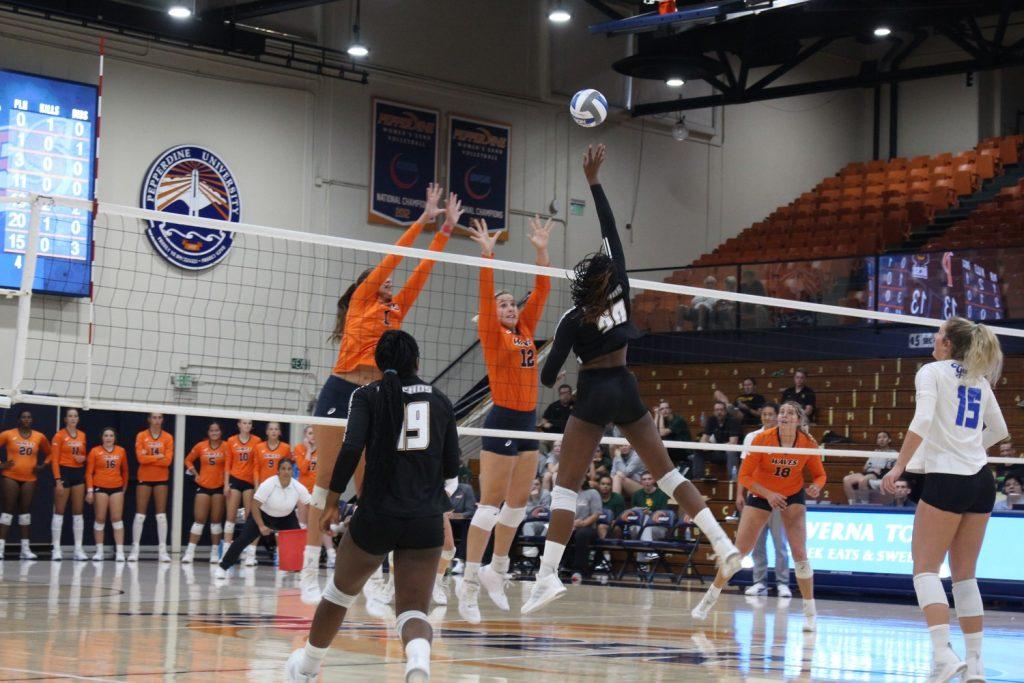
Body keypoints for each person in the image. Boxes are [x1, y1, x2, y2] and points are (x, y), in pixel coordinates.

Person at [522, 145, 739, 614]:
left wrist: (554, 354)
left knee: (564, 487)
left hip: (593, 394)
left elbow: (546, 378)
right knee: (669, 475)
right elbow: (609, 231)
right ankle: (722, 543)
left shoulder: (572, 318)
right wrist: (594, 181)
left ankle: (546, 577)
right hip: (627, 386)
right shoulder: (622, 285)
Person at [303, 184, 460, 600]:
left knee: (374, 484)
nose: (390, 282)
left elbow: (420, 271)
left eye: (392, 282)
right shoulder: (361, 301)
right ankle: (306, 571)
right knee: (323, 482)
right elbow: (397, 256)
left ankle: (375, 573)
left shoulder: (396, 309)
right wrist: (422, 219)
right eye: (383, 280)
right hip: (340, 388)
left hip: (377, 398)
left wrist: (444, 230)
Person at [285, 330, 460, 683]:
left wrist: (333, 502)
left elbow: (350, 451)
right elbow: (452, 467)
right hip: (425, 519)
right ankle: (418, 663)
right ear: (417, 361)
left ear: (379, 365)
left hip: (377, 516)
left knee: (338, 595)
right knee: (413, 611)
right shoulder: (440, 400)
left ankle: (305, 669)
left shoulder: (366, 395)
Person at [880, 317, 1007, 682]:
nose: (934, 339)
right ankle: (976, 665)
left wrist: (899, 466)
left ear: (948, 344)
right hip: (981, 481)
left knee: (924, 568)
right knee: (965, 577)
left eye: (938, 334)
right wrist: (969, 450)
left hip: (949, 480)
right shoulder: (979, 377)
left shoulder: (932, 371)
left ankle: (943, 656)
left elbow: (921, 421)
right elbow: (998, 430)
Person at [456, 214, 553, 623]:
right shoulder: (494, 335)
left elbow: (544, 289)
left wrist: (541, 250)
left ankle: (497, 570)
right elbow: (484, 297)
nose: (511, 307)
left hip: (528, 420)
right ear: (493, 314)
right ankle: (467, 583)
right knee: (489, 505)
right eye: (504, 304)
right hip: (501, 419)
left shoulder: (526, 330)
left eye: (513, 303)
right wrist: (487, 255)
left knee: (518, 505)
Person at [692, 402, 825, 630]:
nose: (784, 415)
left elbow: (820, 475)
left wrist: (816, 487)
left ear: (798, 420)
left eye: (790, 413)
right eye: (781, 412)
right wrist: (768, 494)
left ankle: (810, 614)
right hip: (762, 493)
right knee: (738, 553)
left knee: (800, 554)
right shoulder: (763, 439)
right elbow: (744, 476)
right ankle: (709, 599)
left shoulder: (807, 442)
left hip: (792, 494)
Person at [215, 458, 310, 579]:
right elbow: (255, 505)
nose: (286, 472)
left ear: (293, 472)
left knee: (297, 541)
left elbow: (310, 504)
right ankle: (223, 567)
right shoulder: (268, 484)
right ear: (278, 471)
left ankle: (299, 570)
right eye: (283, 469)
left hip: (286, 518)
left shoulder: (298, 487)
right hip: (262, 515)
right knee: (242, 540)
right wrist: (261, 526)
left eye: (289, 469)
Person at [735, 403, 791, 598]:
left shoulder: (785, 437)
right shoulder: (752, 437)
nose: (768, 417)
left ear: (777, 417)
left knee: (780, 543)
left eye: (771, 414)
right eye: (764, 414)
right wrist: (739, 494)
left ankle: (783, 583)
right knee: (756, 543)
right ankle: (759, 582)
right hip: (756, 497)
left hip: (778, 497)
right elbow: (744, 469)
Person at [0, 410, 51, 560]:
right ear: (18, 420)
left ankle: (25, 549)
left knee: (25, 512)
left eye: (29, 417)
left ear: (32, 420)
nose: (26, 419)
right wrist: (2, 465)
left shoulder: (39, 436)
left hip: (30, 478)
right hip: (11, 476)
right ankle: (1, 548)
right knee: (8, 511)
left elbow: (51, 453)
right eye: (23, 417)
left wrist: (43, 465)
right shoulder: (9, 434)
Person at [182, 422, 229, 564]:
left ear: (220, 432)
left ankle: (215, 553)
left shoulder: (227, 446)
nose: (214, 433)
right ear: (208, 432)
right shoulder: (200, 446)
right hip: (203, 486)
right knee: (199, 520)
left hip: (219, 487)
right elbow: (188, 460)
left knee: (216, 522)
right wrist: (195, 474)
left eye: (217, 430)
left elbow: (231, 464)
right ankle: (189, 552)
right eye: (212, 430)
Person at [132, 413, 174, 563]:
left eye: (160, 418)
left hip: (161, 478)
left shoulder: (168, 437)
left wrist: (149, 456)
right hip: (144, 477)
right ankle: (135, 549)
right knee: (140, 514)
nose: (157, 420)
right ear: (149, 419)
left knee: (161, 515)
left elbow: (168, 461)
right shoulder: (141, 436)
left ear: (163, 420)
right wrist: (158, 457)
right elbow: (140, 459)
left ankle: (162, 550)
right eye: (154, 418)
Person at [85, 428, 129, 562]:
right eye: (106, 435)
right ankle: (99, 551)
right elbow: (89, 473)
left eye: (111, 436)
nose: (108, 438)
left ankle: (120, 551)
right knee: (100, 518)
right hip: (100, 487)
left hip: (116, 487)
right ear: (102, 437)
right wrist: (90, 491)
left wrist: (123, 489)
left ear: (115, 438)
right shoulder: (95, 451)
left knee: (117, 518)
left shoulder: (121, 451)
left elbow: (125, 471)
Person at [294, 426, 335, 568]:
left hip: (318, 492)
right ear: (305, 436)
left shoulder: (324, 449)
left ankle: (331, 555)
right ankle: (304, 557)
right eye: (310, 433)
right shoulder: (299, 448)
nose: (313, 436)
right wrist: (309, 452)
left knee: (321, 524)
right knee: (303, 525)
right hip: (303, 491)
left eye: (314, 433)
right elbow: (303, 468)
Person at [51, 408, 88, 561]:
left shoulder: (82, 435)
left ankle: (78, 549)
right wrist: (58, 480)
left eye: (75, 416)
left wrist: (83, 458)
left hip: (78, 474)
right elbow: (54, 460)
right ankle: (56, 549)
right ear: (65, 419)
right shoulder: (59, 436)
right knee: (59, 511)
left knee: (78, 512)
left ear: (78, 419)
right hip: (64, 473)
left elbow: (83, 455)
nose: (73, 418)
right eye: (70, 416)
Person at [223, 419, 262, 565]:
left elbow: (257, 464)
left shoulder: (257, 441)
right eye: (244, 423)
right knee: (231, 516)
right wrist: (226, 484)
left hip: (249, 482)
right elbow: (227, 464)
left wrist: (257, 484)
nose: (247, 426)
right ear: (239, 425)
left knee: (249, 517)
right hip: (235, 479)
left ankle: (249, 553)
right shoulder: (231, 441)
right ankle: (227, 552)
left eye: (249, 424)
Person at [843, 431, 897, 504]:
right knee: (846, 479)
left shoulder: (893, 453)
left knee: (863, 480)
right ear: (877, 441)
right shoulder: (874, 453)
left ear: (889, 440)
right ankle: (852, 504)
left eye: (884, 437)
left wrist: (879, 468)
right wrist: (869, 467)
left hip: (879, 474)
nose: (881, 439)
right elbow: (865, 468)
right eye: (879, 438)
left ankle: (864, 505)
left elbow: (894, 468)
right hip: (868, 472)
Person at [695, 401, 741, 480]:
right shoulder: (711, 420)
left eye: (721, 410)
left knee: (731, 452)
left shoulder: (733, 421)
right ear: (714, 411)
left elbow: (733, 443)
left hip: (731, 453)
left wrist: (712, 446)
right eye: (717, 410)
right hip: (718, 451)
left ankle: (732, 480)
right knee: (698, 451)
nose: (719, 412)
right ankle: (698, 480)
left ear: (725, 411)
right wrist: (706, 446)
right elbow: (703, 442)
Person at [654, 401, 693, 467]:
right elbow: (653, 433)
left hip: (684, 450)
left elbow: (662, 433)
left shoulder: (678, 420)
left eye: (666, 408)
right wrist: (656, 416)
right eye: (662, 409)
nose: (664, 411)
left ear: (670, 409)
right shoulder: (663, 420)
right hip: (671, 450)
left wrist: (660, 416)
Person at [253, 422, 290, 487]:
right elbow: (256, 469)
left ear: (279, 432)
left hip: (279, 484)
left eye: (276, 429)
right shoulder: (259, 447)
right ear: (267, 432)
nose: (274, 431)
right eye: (271, 429)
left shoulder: (286, 447)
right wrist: (256, 486)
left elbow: (288, 469)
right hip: (263, 484)